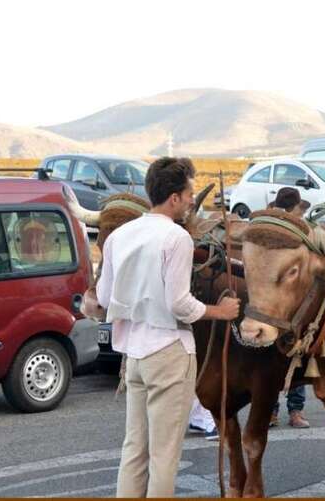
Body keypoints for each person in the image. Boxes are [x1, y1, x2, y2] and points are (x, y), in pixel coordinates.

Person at [97, 157, 241, 498]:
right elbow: (180, 304)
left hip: (134, 355)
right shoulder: (177, 238)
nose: (192, 200)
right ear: (174, 198)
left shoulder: (120, 236)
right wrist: (221, 311)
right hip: (169, 352)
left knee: (135, 448)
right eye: (189, 194)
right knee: (164, 455)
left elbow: (103, 296)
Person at [267, 187, 311, 429]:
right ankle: (292, 411)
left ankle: (274, 411)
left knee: (279, 356)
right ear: (293, 208)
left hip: (276, 304)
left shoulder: (266, 225)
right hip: (286, 304)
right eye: (299, 210)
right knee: (293, 355)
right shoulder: (292, 230)